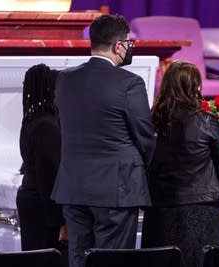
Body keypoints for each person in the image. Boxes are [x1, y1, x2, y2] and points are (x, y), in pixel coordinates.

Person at [51, 14, 156, 267]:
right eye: (129, 43)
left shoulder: (64, 80)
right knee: (113, 261)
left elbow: (61, 127)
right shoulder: (129, 82)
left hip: (73, 187)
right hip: (116, 190)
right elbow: (145, 137)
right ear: (118, 46)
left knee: (78, 258)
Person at [141, 61, 219, 267]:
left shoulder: (150, 121)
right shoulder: (206, 120)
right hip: (202, 209)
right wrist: (211, 190)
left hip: (161, 207)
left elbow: (145, 164)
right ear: (195, 86)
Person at [16, 64, 68, 252]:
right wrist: (61, 222)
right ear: (50, 90)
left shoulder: (33, 119)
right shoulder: (46, 125)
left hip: (33, 200)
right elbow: (50, 177)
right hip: (43, 208)